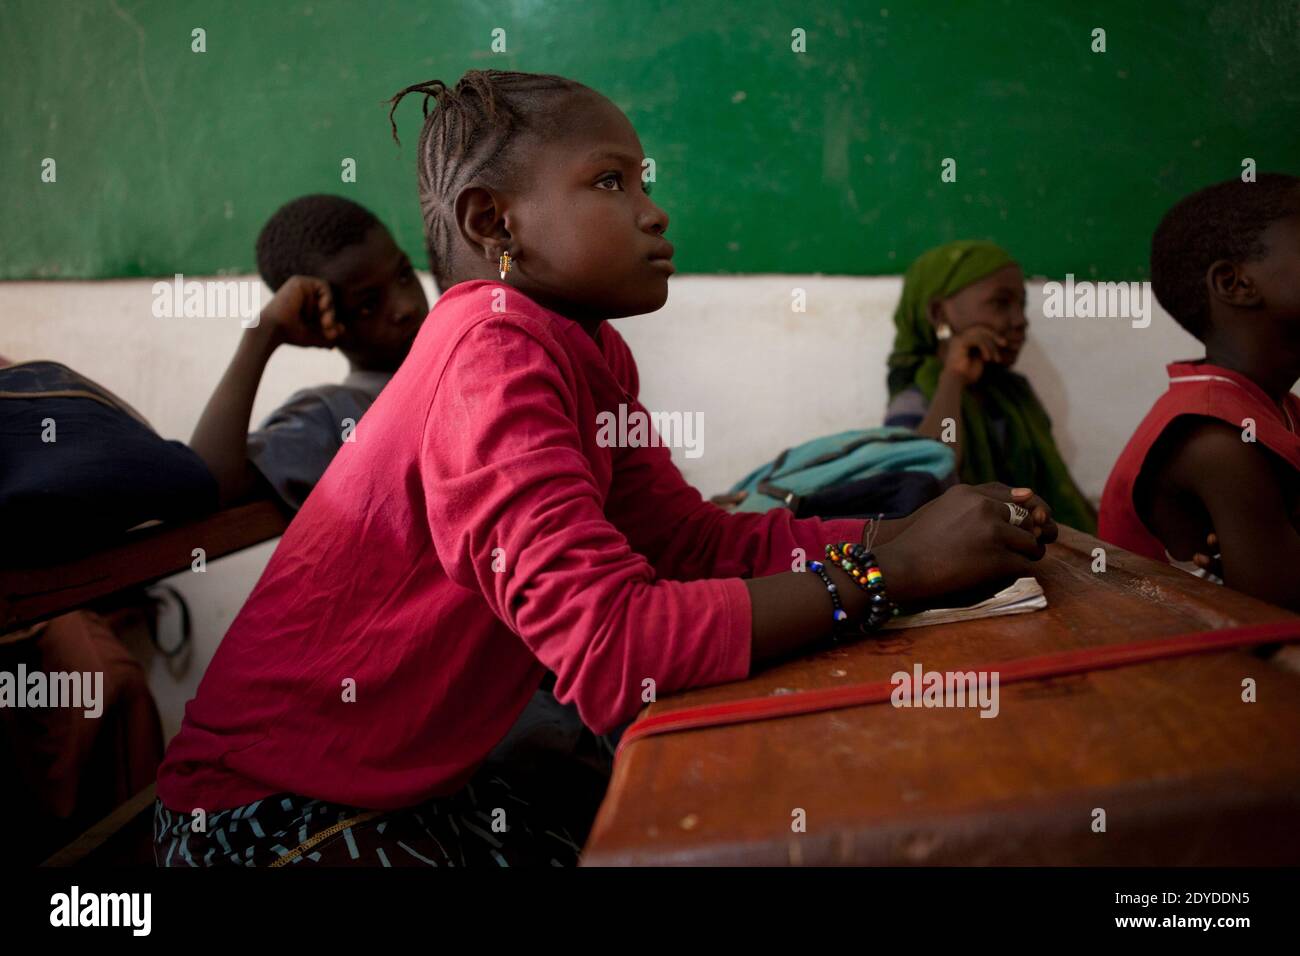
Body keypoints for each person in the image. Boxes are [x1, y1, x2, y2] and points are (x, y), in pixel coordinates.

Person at [155, 70, 1055, 867]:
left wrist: (896, 534)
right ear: (493, 221)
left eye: (643, 180)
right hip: (264, 818)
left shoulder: (584, 351)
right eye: (609, 181)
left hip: (405, 787)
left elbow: (684, 540)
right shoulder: (490, 351)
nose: (653, 210)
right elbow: (613, 648)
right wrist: (890, 572)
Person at [1100, 174, 1300, 609]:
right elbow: (1281, 619)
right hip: (1187, 671)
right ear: (1234, 283)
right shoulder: (1214, 438)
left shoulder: (1279, 408)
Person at [189, 195, 429, 511]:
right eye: (368, 304)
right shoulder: (338, 416)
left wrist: (505, 260)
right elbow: (209, 482)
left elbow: (505, 264)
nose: (406, 306)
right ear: (322, 319)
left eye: (403, 274)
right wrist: (262, 334)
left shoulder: (469, 351)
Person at [884, 241, 1097, 532]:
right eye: (1000, 303)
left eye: (1021, 305)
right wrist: (953, 378)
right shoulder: (914, 402)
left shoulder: (1015, 396)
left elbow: (1062, 492)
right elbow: (927, 478)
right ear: (938, 314)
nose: (1020, 321)